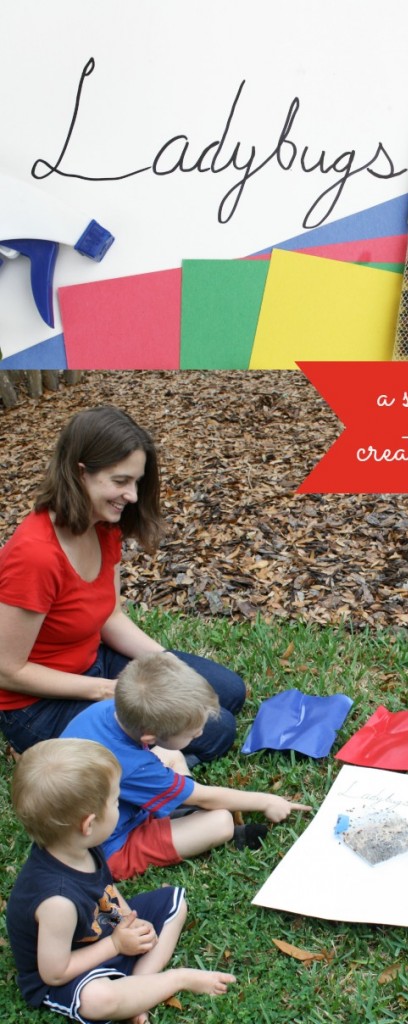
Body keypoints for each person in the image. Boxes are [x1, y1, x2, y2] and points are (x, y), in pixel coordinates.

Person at [0, 404, 245, 764]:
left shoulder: (103, 527)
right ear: (80, 473)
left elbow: (110, 618)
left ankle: (136, 754)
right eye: (120, 481)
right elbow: (7, 669)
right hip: (36, 705)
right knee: (216, 733)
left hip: (94, 663)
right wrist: (107, 692)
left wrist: (167, 664)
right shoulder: (34, 555)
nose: (131, 495)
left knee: (226, 692)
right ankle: (40, 751)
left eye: (136, 482)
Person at [6, 738, 235, 1024]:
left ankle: (138, 989)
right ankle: (173, 980)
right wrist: (115, 945)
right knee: (99, 999)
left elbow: (107, 890)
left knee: (174, 904)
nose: (120, 805)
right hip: (71, 966)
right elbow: (54, 972)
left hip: (103, 932)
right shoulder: (57, 902)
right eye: (116, 801)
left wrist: (129, 919)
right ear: (88, 824)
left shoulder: (77, 845)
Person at [62, 651, 311, 880]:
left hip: (93, 810)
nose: (201, 733)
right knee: (220, 822)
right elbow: (207, 798)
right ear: (149, 736)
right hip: (105, 849)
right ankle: (180, 814)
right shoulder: (135, 766)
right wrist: (266, 801)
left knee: (175, 757)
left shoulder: (106, 710)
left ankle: (175, 807)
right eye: (193, 734)